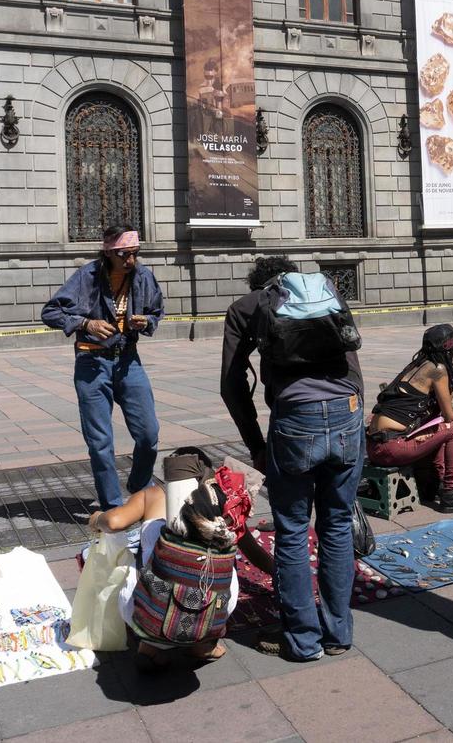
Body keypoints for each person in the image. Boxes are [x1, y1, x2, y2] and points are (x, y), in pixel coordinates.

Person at [220, 255, 365, 662]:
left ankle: (303, 641)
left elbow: (231, 385)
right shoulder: (326, 289)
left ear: (259, 284)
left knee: (292, 528)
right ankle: (338, 634)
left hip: (295, 420)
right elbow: (353, 357)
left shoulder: (246, 307)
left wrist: (257, 447)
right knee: (336, 523)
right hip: (346, 410)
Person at [86, 449, 274, 669]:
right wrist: (283, 575)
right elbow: (254, 553)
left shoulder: (154, 494)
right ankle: (204, 644)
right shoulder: (224, 503)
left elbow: (114, 522)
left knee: (142, 560)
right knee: (213, 568)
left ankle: (151, 647)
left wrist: (97, 518)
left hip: (148, 607)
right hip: (211, 611)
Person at [42, 226, 163, 511]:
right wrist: (86, 324)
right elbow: (51, 312)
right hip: (91, 363)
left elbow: (157, 311)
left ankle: (138, 485)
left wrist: (146, 321)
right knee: (100, 442)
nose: (131, 260)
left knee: (149, 434)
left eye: (135, 254)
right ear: (108, 252)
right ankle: (113, 507)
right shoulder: (87, 276)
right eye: (124, 255)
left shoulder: (143, 276)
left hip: (128, 361)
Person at [366, 325, 453, 512]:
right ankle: (451, 493)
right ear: (448, 349)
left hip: (375, 446)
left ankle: (434, 484)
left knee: (438, 427)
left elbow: (438, 409)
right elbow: (448, 413)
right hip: (391, 447)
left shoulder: (418, 365)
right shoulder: (438, 369)